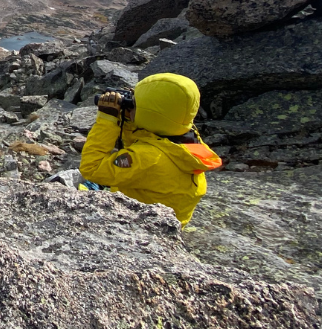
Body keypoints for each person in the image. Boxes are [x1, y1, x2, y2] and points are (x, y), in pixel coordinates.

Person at [78, 72, 221, 224]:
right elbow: (148, 137)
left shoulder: (148, 158)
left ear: (151, 115)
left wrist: (107, 120)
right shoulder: (186, 132)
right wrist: (132, 116)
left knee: (70, 183)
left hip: (137, 224)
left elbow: (91, 168)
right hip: (167, 220)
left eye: (135, 105)